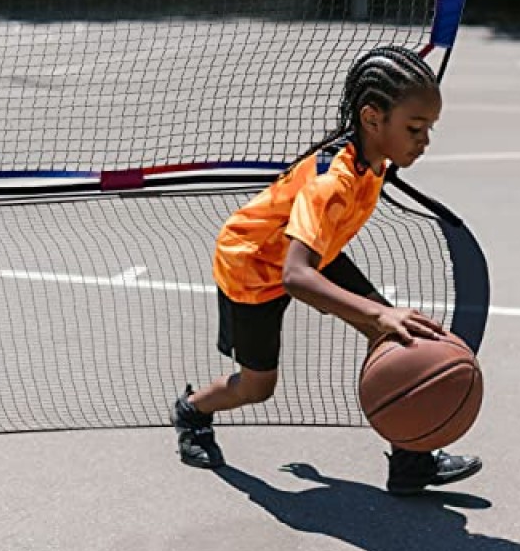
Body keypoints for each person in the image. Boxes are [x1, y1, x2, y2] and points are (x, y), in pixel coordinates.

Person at [172, 45, 482, 495]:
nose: (425, 140)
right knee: (259, 386)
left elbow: (308, 263)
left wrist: (380, 320)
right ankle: (193, 411)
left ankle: (411, 462)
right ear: (373, 119)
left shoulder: (375, 158)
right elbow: (295, 277)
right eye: (415, 128)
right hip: (253, 265)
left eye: (429, 128)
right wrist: (376, 313)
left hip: (312, 252)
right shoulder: (331, 182)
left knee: (398, 334)